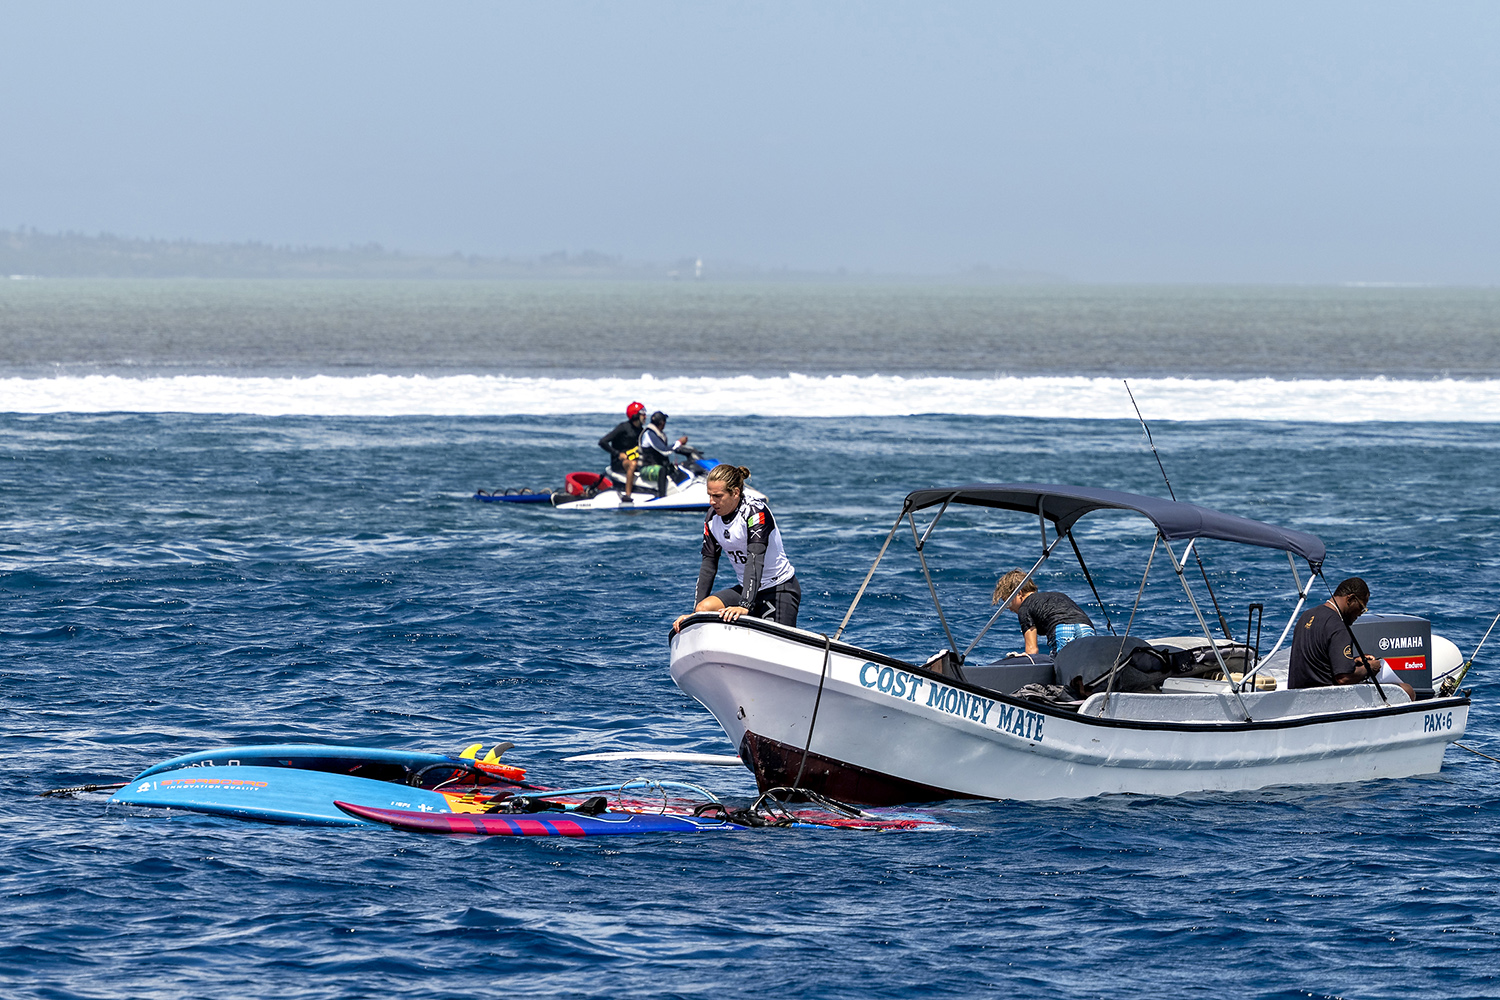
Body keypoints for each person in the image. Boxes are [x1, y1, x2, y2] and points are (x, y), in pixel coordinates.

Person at [673, 464, 800, 630]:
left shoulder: (755, 511)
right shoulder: (712, 518)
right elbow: (708, 566)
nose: (712, 502)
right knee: (702, 609)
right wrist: (695, 616)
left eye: (718, 496)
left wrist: (745, 605)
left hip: (778, 589)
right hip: (745, 589)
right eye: (710, 495)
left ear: (735, 493)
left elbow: (754, 560)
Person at [1288, 577, 1415, 698]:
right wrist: (1370, 667)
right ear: (1350, 599)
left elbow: (1318, 660)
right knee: (1407, 690)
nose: (1360, 613)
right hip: (1326, 698)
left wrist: (1353, 661)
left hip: (1298, 695)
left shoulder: (1306, 616)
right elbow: (1344, 679)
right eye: (1361, 607)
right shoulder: (1338, 626)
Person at [992, 569, 1096, 657]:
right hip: (1086, 626)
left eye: (1008, 603)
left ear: (1019, 593)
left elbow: (1032, 650)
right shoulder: (1056, 595)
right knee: (1086, 665)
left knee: (1064, 670)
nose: (1008, 608)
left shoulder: (1025, 608)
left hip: (1063, 630)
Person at [597, 402, 646, 502]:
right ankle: (627, 495)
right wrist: (617, 454)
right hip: (619, 462)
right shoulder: (623, 427)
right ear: (635, 415)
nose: (645, 416)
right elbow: (603, 442)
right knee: (633, 464)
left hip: (634, 458)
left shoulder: (641, 430)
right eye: (642, 414)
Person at [638, 411, 688, 498]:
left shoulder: (658, 434)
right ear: (662, 423)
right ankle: (662, 496)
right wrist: (679, 442)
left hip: (656, 465)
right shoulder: (649, 434)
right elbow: (664, 451)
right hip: (646, 467)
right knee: (662, 470)